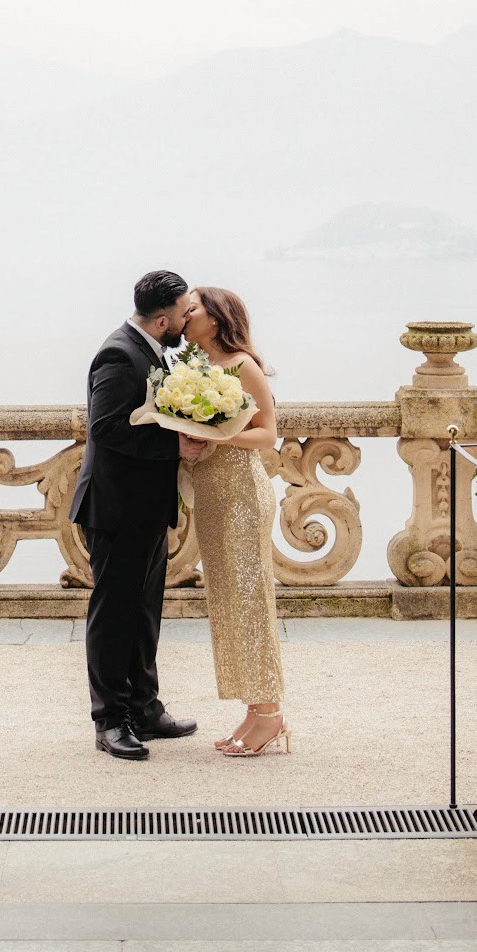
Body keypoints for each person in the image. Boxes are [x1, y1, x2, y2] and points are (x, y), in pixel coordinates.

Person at [69, 269, 202, 760]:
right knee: (113, 615)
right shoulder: (119, 353)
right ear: (163, 318)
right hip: (116, 507)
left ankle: (144, 707)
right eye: (186, 312)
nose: (190, 318)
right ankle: (109, 721)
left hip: (146, 506)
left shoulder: (151, 348)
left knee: (144, 612)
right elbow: (105, 429)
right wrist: (178, 440)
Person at [179, 285, 288, 757]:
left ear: (218, 317)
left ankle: (271, 714)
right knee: (226, 602)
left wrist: (218, 436)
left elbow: (268, 433)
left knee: (250, 600)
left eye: (194, 307)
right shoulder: (193, 367)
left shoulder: (243, 365)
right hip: (210, 495)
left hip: (242, 493)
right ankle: (254, 708)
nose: (186, 314)